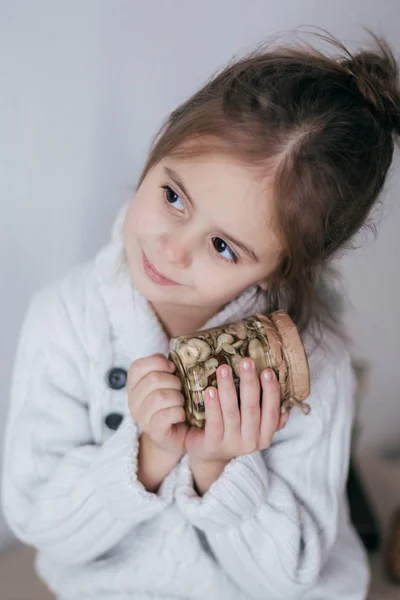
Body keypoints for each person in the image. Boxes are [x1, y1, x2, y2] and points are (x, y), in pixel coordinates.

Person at [2, 30, 399, 600]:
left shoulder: (315, 367)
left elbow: (291, 578)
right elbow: (39, 522)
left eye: (223, 247)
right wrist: (150, 454)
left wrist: (220, 466)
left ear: (279, 271)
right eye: (173, 197)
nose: (171, 249)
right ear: (163, 143)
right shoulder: (66, 321)